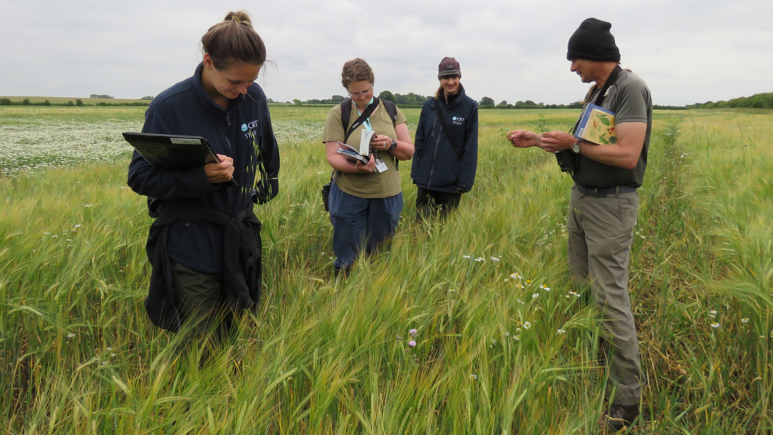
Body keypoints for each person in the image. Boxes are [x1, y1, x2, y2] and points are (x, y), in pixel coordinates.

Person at [507, 18, 651, 431]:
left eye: (575, 59)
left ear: (595, 56)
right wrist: (539, 139)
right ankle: (600, 366)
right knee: (583, 287)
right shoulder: (598, 91)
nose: (573, 67)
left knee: (610, 297)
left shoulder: (630, 88)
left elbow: (625, 154)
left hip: (611, 205)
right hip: (584, 200)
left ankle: (626, 401)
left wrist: (571, 143)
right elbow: (588, 148)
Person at [127, 11, 280, 340]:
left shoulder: (253, 98)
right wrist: (201, 178)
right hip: (191, 243)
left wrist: (272, 179)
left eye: (251, 81)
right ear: (209, 62)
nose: (243, 90)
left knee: (237, 331)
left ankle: (231, 392)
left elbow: (265, 142)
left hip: (239, 239)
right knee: (201, 343)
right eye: (235, 82)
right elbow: (139, 177)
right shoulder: (169, 108)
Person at [322, 58, 414, 276]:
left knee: (380, 256)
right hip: (349, 195)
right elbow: (333, 156)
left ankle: (375, 296)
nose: (362, 97)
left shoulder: (391, 109)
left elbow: (408, 151)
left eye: (366, 91)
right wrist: (358, 168)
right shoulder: (339, 113)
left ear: (373, 84)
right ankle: (343, 296)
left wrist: (391, 144)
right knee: (347, 258)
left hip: (387, 195)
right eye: (355, 93)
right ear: (346, 90)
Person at [411, 57, 478, 220]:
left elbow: (471, 146)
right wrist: (416, 172)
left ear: (459, 78)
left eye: (454, 77)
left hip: (451, 184)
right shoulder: (429, 105)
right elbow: (419, 140)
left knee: (444, 232)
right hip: (426, 181)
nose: (450, 82)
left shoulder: (469, 107)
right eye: (445, 77)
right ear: (440, 79)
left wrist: (464, 182)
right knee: (420, 231)